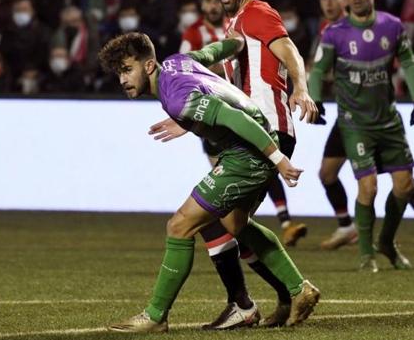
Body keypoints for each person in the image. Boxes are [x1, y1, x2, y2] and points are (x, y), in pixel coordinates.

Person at [99, 32, 320, 333]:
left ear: (149, 66)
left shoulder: (176, 97)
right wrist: (237, 44)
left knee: (179, 225)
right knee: (235, 224)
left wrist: (278, 159)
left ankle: (155, 316)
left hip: (249, 152)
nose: (122, 79)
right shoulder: (178, 62)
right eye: (119, 73)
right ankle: (298, 289)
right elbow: (214, 51)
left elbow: (232, 118)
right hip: (245, 147)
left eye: (127, 69)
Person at [147, 0, 319, 328]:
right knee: (234, 223)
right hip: (253, 131)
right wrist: (187, 120)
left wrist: (301, 89)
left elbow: (290, 51)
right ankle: (293, 292)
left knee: (190, 222)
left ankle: (247, 303)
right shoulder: (235, 24)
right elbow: (226, 93)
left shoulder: (257, 13)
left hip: (266, 130)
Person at [309, 0, 414, 272]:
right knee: (367, 188)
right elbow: (318, 70)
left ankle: (387, 243)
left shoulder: (392, 27)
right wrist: (315, 100)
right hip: (355, 123)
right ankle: (366, 254)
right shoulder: (334, 32)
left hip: (389, 120)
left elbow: (407, 61)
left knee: (405, 187)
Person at [309, 0, 359, 250]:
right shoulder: (326, 30)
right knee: (327, 174)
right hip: (345, 114)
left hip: (369, 114)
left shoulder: (358, 26)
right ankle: (346, 226)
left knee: (399, 181)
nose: (328, 3)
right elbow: (319, 68)